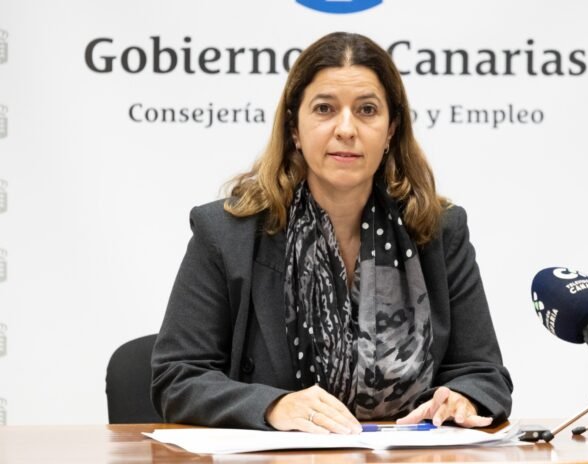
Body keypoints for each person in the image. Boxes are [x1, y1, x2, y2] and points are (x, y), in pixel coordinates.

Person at [151, 32, 513, 434]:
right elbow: (177, 378)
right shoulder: (227, 233)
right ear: (294, 128)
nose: (346, 128)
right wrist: (273, 406)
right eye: (324, 109)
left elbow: (484, 374)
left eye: (367, 110)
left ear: (391, 129)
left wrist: (463, 397)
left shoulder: (437, 229)